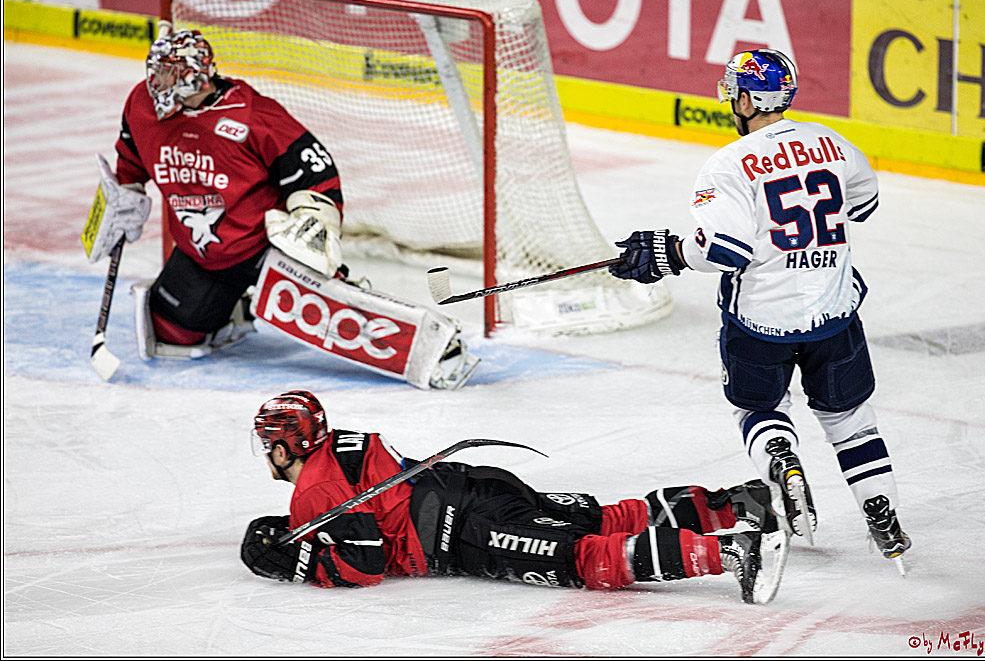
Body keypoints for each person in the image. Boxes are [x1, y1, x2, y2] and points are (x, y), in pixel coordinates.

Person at [608, 49, 910, 571]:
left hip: (760, 323)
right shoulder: (831, 141)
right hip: (834, 315)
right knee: (850, 421)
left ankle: (780, 460)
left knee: (759, 410)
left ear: (748, 98)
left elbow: (723, 250)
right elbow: (864, 204)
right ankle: (881, 510)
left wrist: (665, 253)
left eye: (734, 90)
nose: (731, 98)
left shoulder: (727, 163)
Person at [82, 24, 478, 390]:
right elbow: (131, 159)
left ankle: (436, 345)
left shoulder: (254, 115)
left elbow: (315, 172)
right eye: (157, 72)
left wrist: (312, 221)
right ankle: (235, 307)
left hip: (264, 247)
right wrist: (125, 195)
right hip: (202, 253)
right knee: (171, 333)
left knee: (339, 320)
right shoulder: (141, 105)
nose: (158, 85)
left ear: (198, 77)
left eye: (171, 75)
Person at [240, 391, 790, 604]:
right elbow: (366, 503)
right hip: (477, 482)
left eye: (268, 444)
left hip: (465, 530)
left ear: (286, 447)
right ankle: (739, 503)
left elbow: (364, 565)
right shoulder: (343, 444)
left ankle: (733, 552)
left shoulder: (314, 490)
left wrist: (298, 561)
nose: (265, 453)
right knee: (601, 517)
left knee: (582, 558)